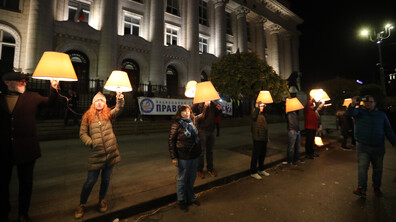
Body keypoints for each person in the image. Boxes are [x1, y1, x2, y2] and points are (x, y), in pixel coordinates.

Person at [0, 71, 58, 222]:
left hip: (26, 149)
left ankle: (23, 213)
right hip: (5, 150)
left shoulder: (32, 97)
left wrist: (54, 88)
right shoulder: (1, 99)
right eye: (20, 81)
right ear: (7, 82)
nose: (24, 83)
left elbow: (50, 102)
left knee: (26, 184)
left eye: (25, 81)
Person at [74, 91, 124, 219]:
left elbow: (119, 109)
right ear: (93, 103)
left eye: (102, 100)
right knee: (90, 181)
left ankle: (102, 200)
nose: (100, 103)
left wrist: (120, 98)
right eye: (97, 100)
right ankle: (82, 204)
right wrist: (91, 143)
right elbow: (82, 133)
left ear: (105, 103)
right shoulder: (87, 116)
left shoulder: (108, 113)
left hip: (110, 152)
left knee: (106, 179)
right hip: (97, 154)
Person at [347, 95, 396, 198]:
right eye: (365, 102)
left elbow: (388, 130)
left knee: (378, 169)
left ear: (375, 103)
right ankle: (361, 188)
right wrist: (353, 103)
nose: (367, 103)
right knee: (362, 168)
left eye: (370, 101)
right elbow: (349, 113)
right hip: (363, 147)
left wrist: (394, 142)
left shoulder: (381, 115)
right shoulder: (359, 112)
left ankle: (376, 187)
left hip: (378, 147)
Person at [168, 104, 207, 211]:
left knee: (191, 178)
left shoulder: (193, 121)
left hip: (194, 155)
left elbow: (203, 115)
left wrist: (206, 105)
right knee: (182, 179)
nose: (187, 113)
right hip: (183, 156)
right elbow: (171, 141)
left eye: (188, 111)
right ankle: (181, 200)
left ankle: (191, 198)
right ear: (180, 113)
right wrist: (174, 157)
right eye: (184, 111)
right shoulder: (176, 124)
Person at [192, 101, 222, 179]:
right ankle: (200, 169)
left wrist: (219, 109)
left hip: (211, 130)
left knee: (210, 151)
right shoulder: (199, 103)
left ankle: (210, 168)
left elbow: (217, 114)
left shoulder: (213, 103)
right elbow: (192, 112)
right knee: (201, 151)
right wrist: (202, 105)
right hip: (202, 130)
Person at [250, 102, 270, 180]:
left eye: (263, 106)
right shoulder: (254, 113)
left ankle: (261, 169)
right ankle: (253, 172)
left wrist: (267, 137)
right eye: (261, 106)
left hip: (263, 138)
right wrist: (257, 107)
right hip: (257, 138)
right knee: (256, 155)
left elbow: (265, 127)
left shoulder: (262, 115)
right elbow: (254, 117)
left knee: (262, 155)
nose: (262, 107)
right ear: (257, 106)